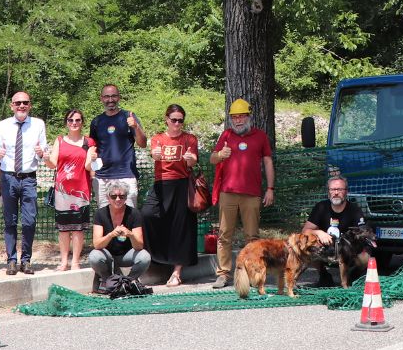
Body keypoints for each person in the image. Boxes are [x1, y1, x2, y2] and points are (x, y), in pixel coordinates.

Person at [210, 98, 274, 289]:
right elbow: (213, 158)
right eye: (235, 117)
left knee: (252, 236)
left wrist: (270, 188)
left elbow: (268, 162)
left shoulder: (260, 136)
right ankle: (223, 274)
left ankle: (252, 272)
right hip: (227, 193)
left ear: (249, 117)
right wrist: (220, 155)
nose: (238, 120)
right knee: (224, 235)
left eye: (242, 117)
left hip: (252, 193)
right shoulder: (226, 135)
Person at [142, 103, 199, 287]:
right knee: (147, 215)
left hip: (181, 184)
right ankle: (155, 259)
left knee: (181, 226)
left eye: (180, 120)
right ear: (166, 120)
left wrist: (190, 160)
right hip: (161, 183)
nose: (176, 124)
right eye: (173, 120)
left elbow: (193, 160)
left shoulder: (189, 139)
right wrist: (155, 155)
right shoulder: (158, 138)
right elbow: (155, 154)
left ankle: (177, 272)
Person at [0, 90, 46, 275]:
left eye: (25, 102)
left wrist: (41, 153)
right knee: (10, 221)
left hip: (29, 178)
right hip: (8, 178)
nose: (21, 106)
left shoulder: (38, 124)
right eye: (18, 103)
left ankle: (26, 260)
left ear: (30, 105)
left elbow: (43, 150)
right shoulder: (2, 125)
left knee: (30, 221)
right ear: (11, 106)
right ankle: (11, 260)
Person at [47, 108, 96, 271]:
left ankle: (75, 261)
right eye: (70, 120)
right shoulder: (59, 140)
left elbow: (90, 167)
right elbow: (53, 163)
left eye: (77, 120)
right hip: (62, 191)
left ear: (82, 122)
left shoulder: (89, 142)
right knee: (63, 228)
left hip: (81, 191)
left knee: (78, 228)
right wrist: (45, 158)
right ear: (66, 122)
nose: (74, 123)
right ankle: (63, 261)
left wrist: (94, 159)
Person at [301, 175, 368, 287]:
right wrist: (319, 232)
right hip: (326, 250)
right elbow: (305, 231)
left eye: (339, 189)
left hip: (348, 253)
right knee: (305, 246)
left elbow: (362, 233)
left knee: (365, 258)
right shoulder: (321, 207)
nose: (336, 192)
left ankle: (352, 277)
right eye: (333, 189)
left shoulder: (355, 210)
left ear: (346, 192)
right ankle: (324, 276)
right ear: (328, 192)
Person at [90, 84, 145, 207]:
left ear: (119, 97)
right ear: (101, 98)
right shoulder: (96, 121)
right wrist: (92, 175)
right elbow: (93, 149)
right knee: (106, 218)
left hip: (126, 176)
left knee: (129, 217)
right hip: (102, 177)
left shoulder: (128, 117)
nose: (110, 100)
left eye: (114, 96)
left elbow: (142, 143)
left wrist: (135, 126)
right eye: (107, 96)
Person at [89, 182, 150, 282]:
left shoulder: (134, 213)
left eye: (122, 196)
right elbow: (97, 245)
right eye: (113, 196)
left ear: (126, 198)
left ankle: (128, 281)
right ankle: (108, 281)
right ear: (108, 197)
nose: (118, 199)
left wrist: (130, 235)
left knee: (145, 257)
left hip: (127, 255)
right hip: (107, 255)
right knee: (94, 256)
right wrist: (111, 235)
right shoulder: (100, 214)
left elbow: (139, 246)